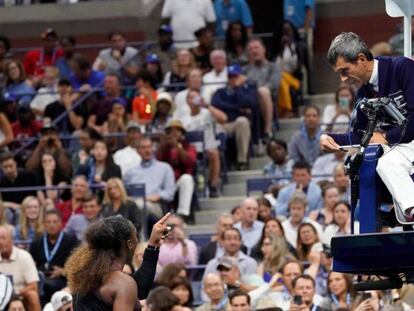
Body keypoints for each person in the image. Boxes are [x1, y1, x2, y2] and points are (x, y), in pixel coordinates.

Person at [321, 32, 414, 223]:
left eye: (344, 71)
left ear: (362, 59)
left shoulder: (402, 68)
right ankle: (411, 210)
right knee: (384, 161)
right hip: (403, 146)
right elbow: (360, 136)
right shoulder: (364, 92)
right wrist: (329, 137)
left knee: (386, 160)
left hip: (406, 141)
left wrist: (387, 137)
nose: (343, 79)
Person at [66, 213, 172, 309]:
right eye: (136, 236)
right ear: (129, 244)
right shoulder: (121, 282)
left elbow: (139, 290)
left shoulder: (83, 275)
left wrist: (153, 245)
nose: (138, 240)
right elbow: (129, 288)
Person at [211, 64, 258, 170]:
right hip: (223, 123)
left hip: (237, 123)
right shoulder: (221, 91)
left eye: (235, 76)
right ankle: (220, 163)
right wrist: (237, 108)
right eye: (230, 77)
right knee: (213, 125)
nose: (232, 79)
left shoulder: (247, 90)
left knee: (242, 121)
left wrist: (238, 88)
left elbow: (249, 104)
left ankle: (242, 161)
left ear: (241, 77)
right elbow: (216, 104)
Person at [29, 209, 79, 304]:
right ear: (44, 224)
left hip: (63, 280)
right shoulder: (36, 242)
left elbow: (78, 265)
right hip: (41, 279)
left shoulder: (71, 240)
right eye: (48, 222)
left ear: (61, 223)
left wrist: (63, 271)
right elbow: (31, 264)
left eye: (55, 222)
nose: (52, 225)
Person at [123, 137, 176, 219]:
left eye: (149, 147)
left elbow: (170, 193)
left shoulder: (164, 167)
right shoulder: (131, 172)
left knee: (140, 205)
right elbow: (124, 192)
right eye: (143, 148)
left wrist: (156, 197)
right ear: (138, 151)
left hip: (156, 205)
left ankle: (141, 232)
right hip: (135, 203)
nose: (147, 150)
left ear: (153, 149)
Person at [156, 120, 197, 219]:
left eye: (177, 131)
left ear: (182, 134)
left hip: (178, 182)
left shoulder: (189, 146)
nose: (173, 134)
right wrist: (162, 145)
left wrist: (177, 147)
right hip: (164, 184)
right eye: (171, 131)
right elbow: (156, 164)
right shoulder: (164, 148)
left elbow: (190, 162)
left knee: (187, 179)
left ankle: (182, 215)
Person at [244, 38, 281, 140]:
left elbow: (274, 84)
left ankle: (267, 131)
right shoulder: (245, 70)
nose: (254, 51)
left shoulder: (273, 67)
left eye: (256, 48)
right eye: (251, 49)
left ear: (264, 49)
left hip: (267, 97)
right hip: (249, 99)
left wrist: (257, 89)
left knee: (263, 91)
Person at [0, 225, 41, 311]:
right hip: (1, 296)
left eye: (3, 238)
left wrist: (16, 294)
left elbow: (33, 285)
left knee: (32, 295)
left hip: (20, 295)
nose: (0, 242)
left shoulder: (24, 256)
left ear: (12, 240)